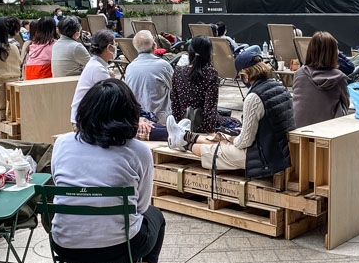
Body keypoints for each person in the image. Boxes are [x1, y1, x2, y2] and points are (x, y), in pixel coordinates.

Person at [51, 79, 165, 263]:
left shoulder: (61, 144)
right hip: (122, 248)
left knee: (83, 212)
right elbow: (142, 206)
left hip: (65, 247)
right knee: (156, 217)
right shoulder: (139, 151)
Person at [167, 48, 294, 178]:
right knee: (223, 138)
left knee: (211, 150)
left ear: (245, 75)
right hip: (278, 150)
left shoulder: (254, 97)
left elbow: (244, 142)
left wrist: (234, 138)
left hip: (263, 157)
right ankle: (184, 136)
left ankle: (185, 143)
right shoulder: (279, 87)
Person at [290, 32, 350, 129]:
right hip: (326, 133)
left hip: (298, 131)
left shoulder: (299, 74)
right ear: (333, 53)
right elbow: (345, 105)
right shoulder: (339, 78)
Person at [170, 36, 221, 134]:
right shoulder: (211, 73)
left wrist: (178, 126)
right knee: (234, 123)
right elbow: (210, 107)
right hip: (202, 124)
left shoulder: (178, 71)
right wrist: (210, 132)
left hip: (183, 123)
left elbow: (175, 102)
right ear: (209, 53)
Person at [124, 30, 173, 121]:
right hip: (160, 118)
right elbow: (174, 88)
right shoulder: (163, 65)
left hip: (138, 118)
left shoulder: (130, 67)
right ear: (154, 46)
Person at [70, 30, 116, 126]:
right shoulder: (97, 68)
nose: (116, 47)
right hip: (85, 121)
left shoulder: (96, 64)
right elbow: (113, 95)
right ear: (109, 47)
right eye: (115, 44)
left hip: (87, 116)